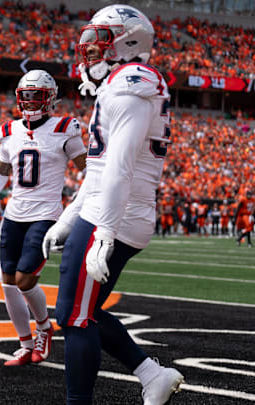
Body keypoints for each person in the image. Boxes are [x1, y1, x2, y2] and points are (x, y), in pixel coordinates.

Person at [40, 5, 184, 404]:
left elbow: (120, 165)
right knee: (82, 310)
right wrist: (69, 218)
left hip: (117, 212)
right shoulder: (121, 81)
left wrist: (104, 230)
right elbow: (102, 169)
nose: (88, 50)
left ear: (128, 41)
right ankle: (151, 374)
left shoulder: (133, 82)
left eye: (99, 40)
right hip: (109, 206)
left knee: (75, 316)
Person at [0, 69, 86, 366]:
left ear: (49, 98)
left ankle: (43, 327)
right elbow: (3, 170)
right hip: (14, 214)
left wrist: (80, 207)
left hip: (45, 214)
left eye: (35, 96)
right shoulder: (9, 130)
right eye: (24, 96)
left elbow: (87, 169)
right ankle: (25, 344)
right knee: (8, 281)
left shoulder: (64, 128)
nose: (28, 102)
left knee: (26, 278)